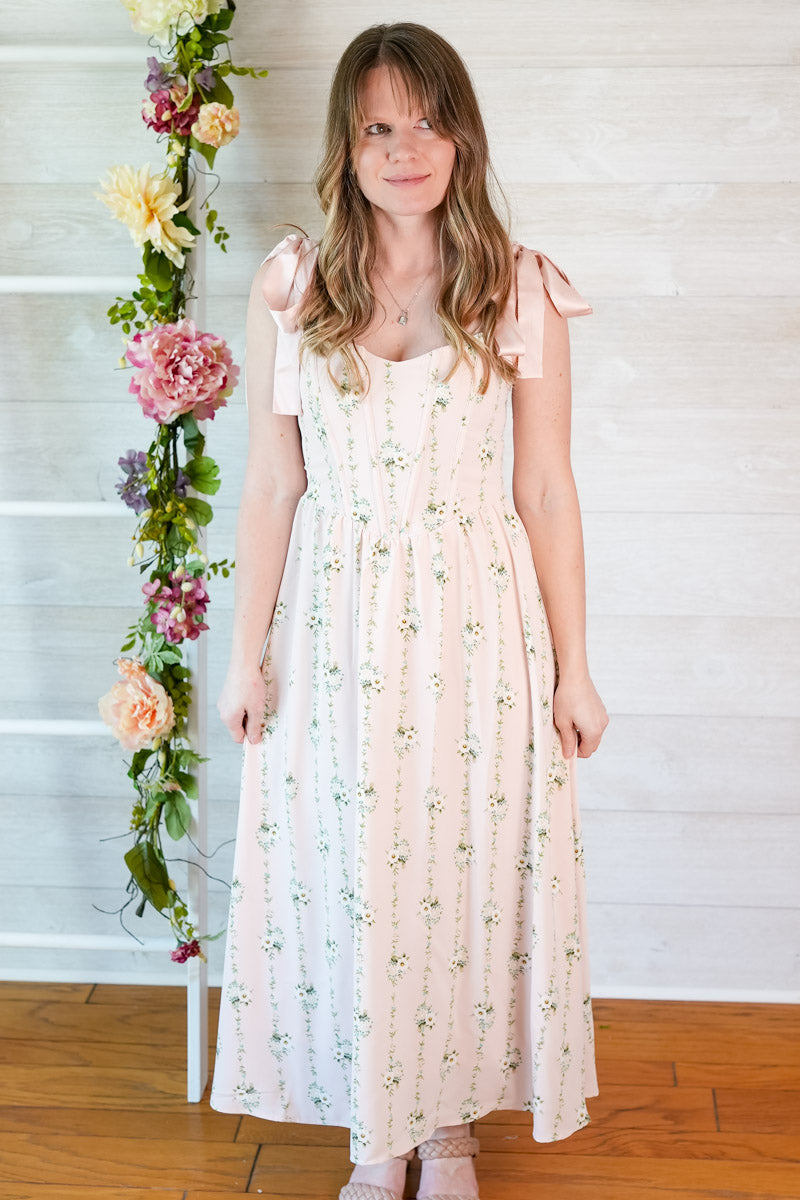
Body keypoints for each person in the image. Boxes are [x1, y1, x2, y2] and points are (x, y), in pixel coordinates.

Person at [210, 21, 608, 1200]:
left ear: (461, 136)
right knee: (353, 870)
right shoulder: (294, 280)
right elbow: (272, 483)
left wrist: (573, 666)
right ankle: (372, 1131)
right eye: (378, 126)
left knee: (464, 866)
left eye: (427, 122)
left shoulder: (516, 286)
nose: (404, 148)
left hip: (476, 617)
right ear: (346, 143)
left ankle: (446, 1131)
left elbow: (543, 486)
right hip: (334, 618)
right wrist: (246, 659)